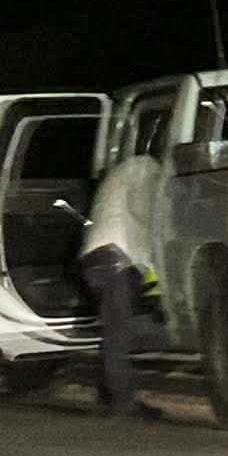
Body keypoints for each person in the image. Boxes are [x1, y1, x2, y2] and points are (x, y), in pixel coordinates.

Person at [80, 116, 166, 416]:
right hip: (114, 258)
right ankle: (122, 401)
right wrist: (156, 289)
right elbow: (144, 225)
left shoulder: (125, 169)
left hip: (97, 257)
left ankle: (109, 393)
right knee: (118, 333)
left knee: (113, 330)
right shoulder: (148, 170)